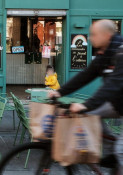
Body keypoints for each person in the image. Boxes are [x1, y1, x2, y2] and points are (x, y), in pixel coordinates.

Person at [49, 19, 123, 175]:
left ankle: (116, 155)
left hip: (117, 100)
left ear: (107, 35)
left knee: (121, 150)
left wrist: (87, 104)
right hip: (118, 103)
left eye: (93, 35)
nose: (89, 38)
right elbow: (86, 75)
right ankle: (111, 154)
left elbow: (114, 84)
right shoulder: (104, 54)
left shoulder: (120, 52)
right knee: (89, 115)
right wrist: (60, 92)